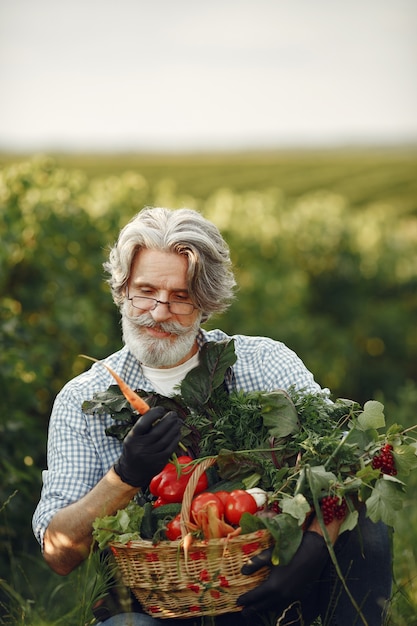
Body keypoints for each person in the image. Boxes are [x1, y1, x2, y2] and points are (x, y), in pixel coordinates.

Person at [33, 207, 392, 625]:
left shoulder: (263, 363)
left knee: (366, 527)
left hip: (280, 584)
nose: (160, 312)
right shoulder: (83, 399)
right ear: (122, 290)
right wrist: (124, 477)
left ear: (207, 303)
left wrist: (313, 547)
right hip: (161, 605)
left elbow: (347, 459)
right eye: (145, 291)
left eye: (181, 297)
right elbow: (58, 554)